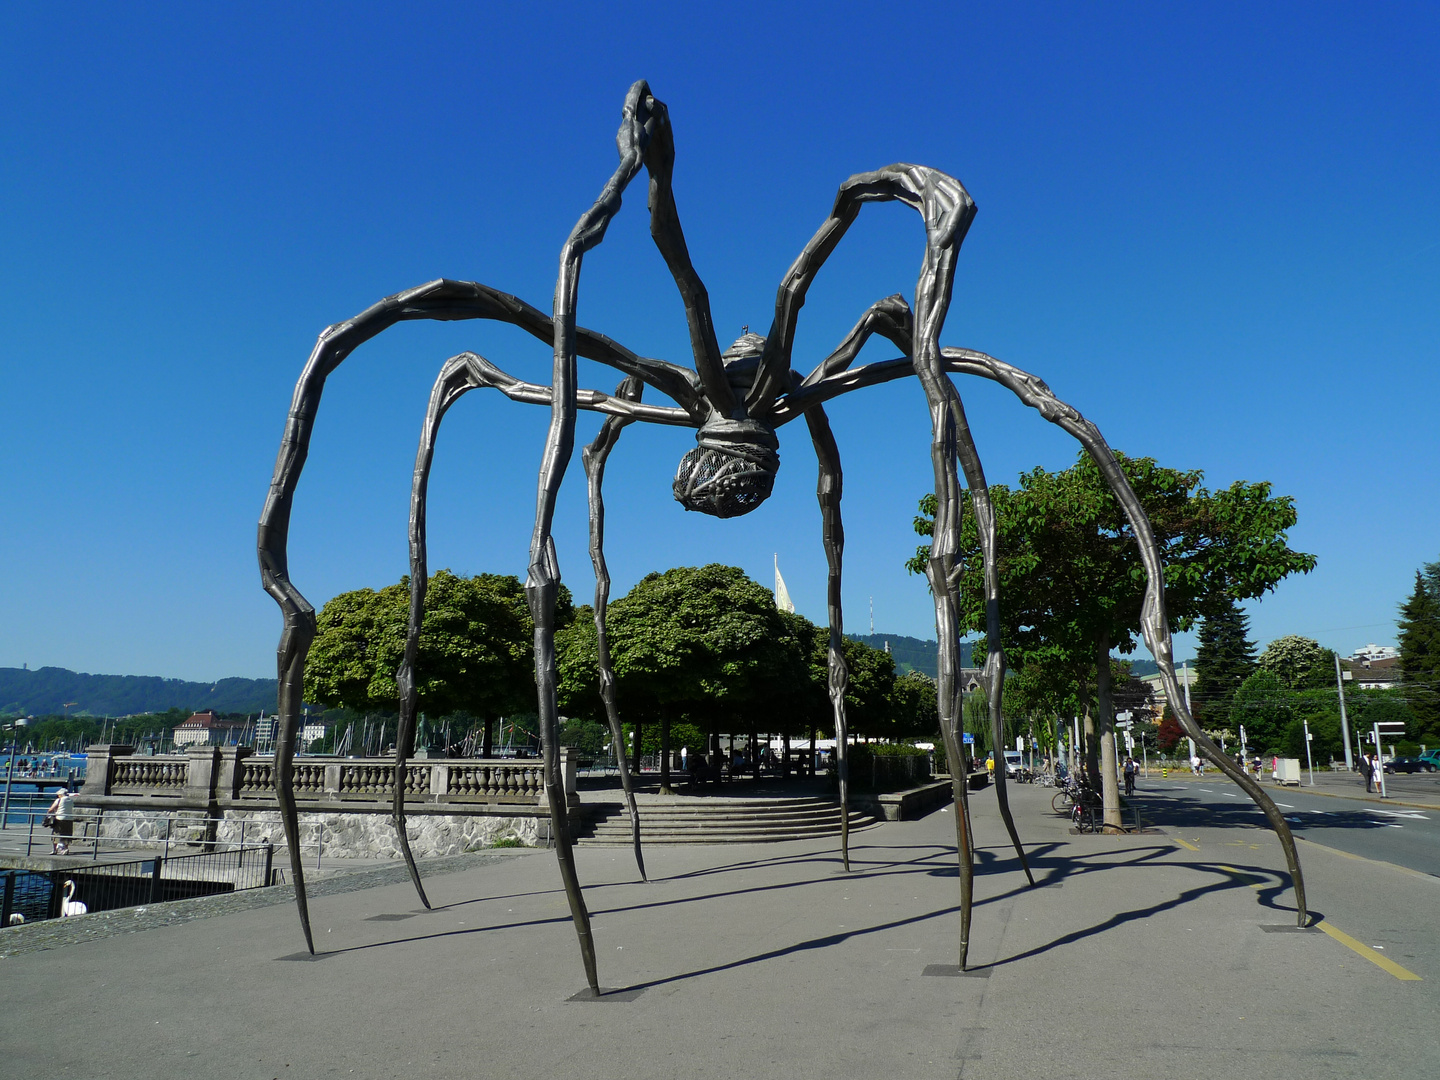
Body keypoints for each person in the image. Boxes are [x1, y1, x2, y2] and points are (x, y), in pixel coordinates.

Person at [46, 787, 74, 855]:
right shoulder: (71, 800)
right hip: (69, 819)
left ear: (61, 794)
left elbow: (51, 809)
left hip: (60, 818)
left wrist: (48, 814)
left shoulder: (59, 800)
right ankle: (66, 849)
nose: (58, 796)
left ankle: (55, 849)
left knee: (56, 834)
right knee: (67, 834)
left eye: (58, 794)